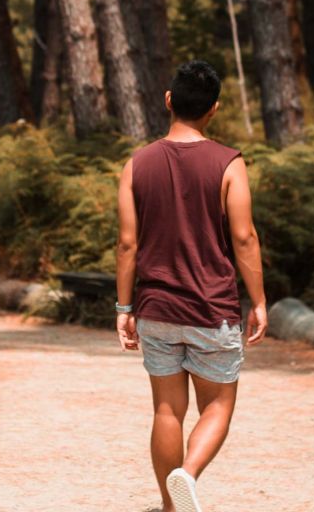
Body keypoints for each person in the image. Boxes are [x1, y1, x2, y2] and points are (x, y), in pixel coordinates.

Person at [115, 60, 268, 512]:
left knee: (166, 411)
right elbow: (244, 237)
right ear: (214, 109)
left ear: (168, 100)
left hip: (156, 308)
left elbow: (127, 244)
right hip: (211, 309)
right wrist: (258, 301)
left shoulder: (137, 164)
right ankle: (188, 474)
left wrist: (124, 307)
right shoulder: (228, 162)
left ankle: (169, 505)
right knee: (217, 407)